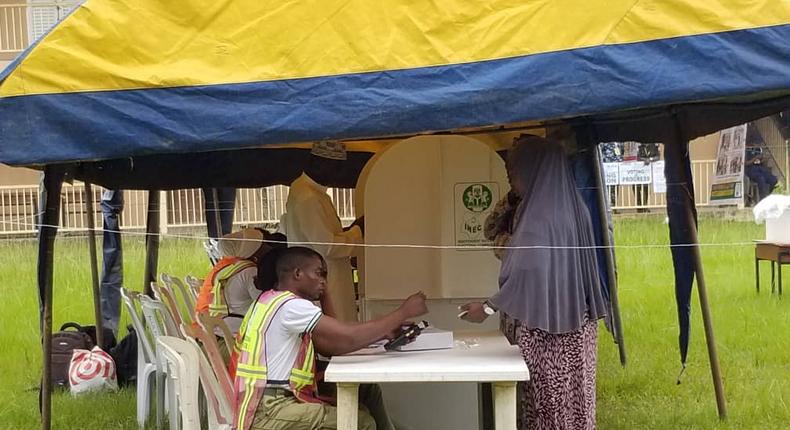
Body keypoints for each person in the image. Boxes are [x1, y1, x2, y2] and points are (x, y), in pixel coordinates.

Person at [460, 137, 608, 430]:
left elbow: (527, 273)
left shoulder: (538, 218)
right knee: (574, 408)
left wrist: (488, 309)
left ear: (534, 171)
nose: (512, 181)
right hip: (577, 331)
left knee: (545, 410)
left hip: (545, 336)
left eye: (514, 173)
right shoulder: (577, 210)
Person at [234, 246, 427, 430]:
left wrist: (385, 330)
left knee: (366, 390)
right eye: (319, 273)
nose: (324, 281)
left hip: (266, 401)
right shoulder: (290, 306)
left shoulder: (273, 300)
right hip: (270, 409)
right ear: (298, 274)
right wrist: (403, 312)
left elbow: (330, 343)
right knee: (363, 422)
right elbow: (346, 337)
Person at [283, 141, 363, 322]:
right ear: (318, 163)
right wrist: (358, 231)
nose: (338, 175)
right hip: (325, 278)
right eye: (335, 168)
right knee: (337, 333)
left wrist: (351, 231)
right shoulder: (308, 197)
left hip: (323, 275)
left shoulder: (308, 191)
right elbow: (327, 246)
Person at [195, 228, 284, 334]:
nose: (269, 249)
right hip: (234, 336)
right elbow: (266, 307)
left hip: (217, 329)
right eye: (263, 246)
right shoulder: (250, 272)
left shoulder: (227, 269)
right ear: (254, 252)